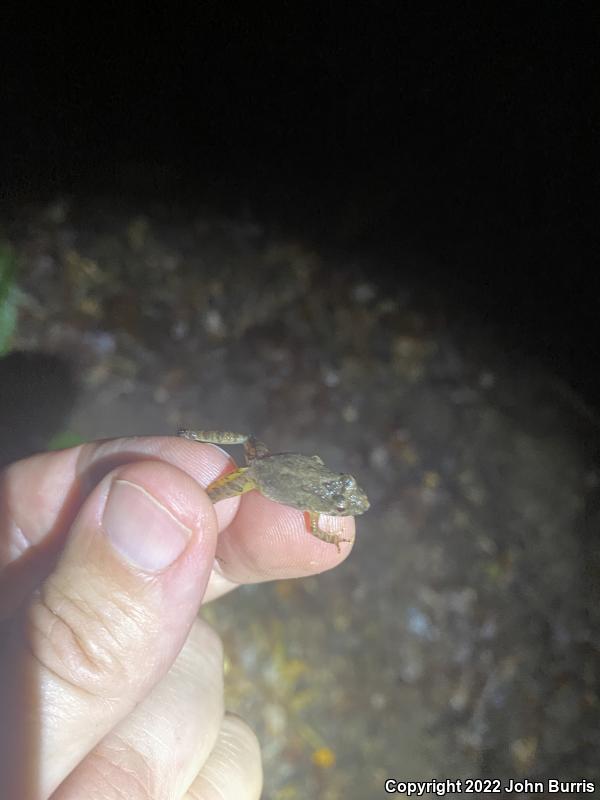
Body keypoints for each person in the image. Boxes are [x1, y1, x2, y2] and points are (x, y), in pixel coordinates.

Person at [0, 435, 355, 799]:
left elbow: (308, 461)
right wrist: (327, 534)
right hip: (256, 478)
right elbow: (313, 526)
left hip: (260, 464)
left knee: (236, 456)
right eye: (344, 503)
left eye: (344, 501)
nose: (352, 504)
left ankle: (192, 444)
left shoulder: (315, 497)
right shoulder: (314, 508)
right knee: (199, 504)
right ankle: (176, 504)